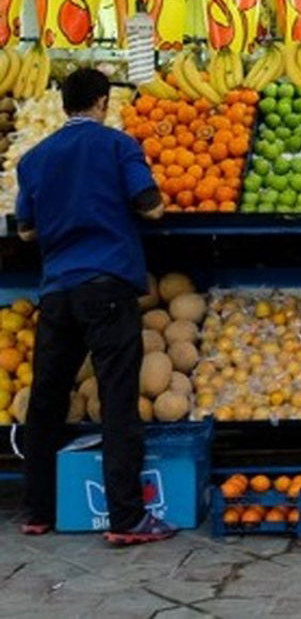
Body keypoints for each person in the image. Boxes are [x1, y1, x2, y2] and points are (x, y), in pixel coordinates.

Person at [15, 69, 177, 546]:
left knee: (46, 401)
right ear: (103, 102)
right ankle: (126, 518)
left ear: (64, 104)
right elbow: (150, 205)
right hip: (106, 284)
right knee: (118, 399)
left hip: (58, 290)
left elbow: (26, 231)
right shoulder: (117, 146)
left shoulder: (35, 158)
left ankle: (38, 511)